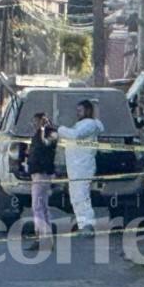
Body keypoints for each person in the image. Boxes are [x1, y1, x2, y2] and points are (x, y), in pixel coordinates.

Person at [55, 100, 105, 236]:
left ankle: (88, 225)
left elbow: (74, 135)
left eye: (80, 110)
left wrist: (58, 129)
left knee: (82, 196)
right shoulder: (81, 125)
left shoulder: (89, 124)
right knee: (76, 197)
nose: (77, 113)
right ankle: (83, 224)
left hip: (83, 166)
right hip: (76, 166)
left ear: (88, 111)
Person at [25, 112, 58, 250]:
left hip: (42, 174)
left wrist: (43, 129)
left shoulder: (49, 134)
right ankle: (46, 237)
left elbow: (44, 146)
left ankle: (43, 238)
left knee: (38, 206)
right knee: (42, 206)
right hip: (38, 173)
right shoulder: (40, 134)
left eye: (36, 121)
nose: (34, 124)